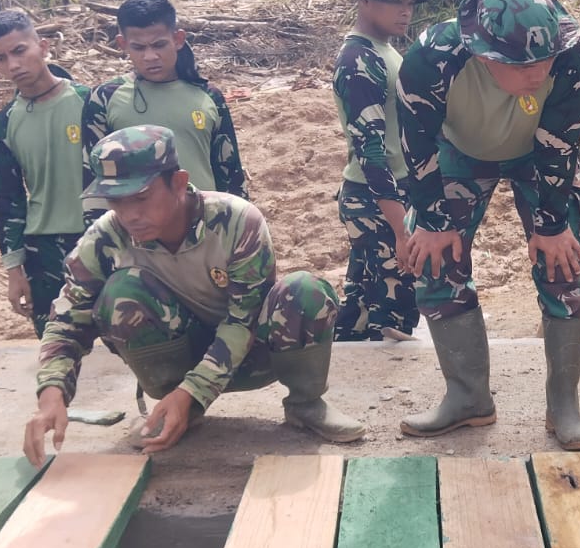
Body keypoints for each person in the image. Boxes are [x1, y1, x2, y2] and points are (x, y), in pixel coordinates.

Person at [22, 126, 363, 464]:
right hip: (177, 358)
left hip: (255, 355)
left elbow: (243, 320)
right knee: (121, 291)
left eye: (141, 198)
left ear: (179, 182)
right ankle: (176, 408)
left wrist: (194, 391)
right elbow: (67, 319)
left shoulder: (236, 221)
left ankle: (305, 404)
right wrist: (52, 392)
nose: (129, 215)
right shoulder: (105, 238)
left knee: (305, 291)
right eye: (115, 201)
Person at [395, 0, 580, 450]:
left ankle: (563, 406)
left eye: (545, 58)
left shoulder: (570, 57)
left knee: (563, 264)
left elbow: (560, 143)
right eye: (523, 63)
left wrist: (552, 224)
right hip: (460, 152)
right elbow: (415, 143)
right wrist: (433, 222)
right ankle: (468, 399)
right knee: (435, 260)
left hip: (540, 156)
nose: (538, 72)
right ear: (483, 54)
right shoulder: (431, 58)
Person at [331, 0, 428, 342]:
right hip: (377, 200)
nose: (404, 11)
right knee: (392, 317)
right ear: (364, 0)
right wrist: (401, 230)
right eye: (393, 1)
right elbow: (370, 151)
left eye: (409, 1)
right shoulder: (359, 60)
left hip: (386, 196)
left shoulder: (383, 51)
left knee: (362, 307)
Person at [0, 9, 93, 337]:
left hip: (102, 237)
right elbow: (7, 200)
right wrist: (14, 270)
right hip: (42, 252)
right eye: (0, 58)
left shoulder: (92, 103)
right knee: (57, 343)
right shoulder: (2, 125)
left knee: (123, 344)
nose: (13, 65)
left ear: (43, 47)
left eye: (19, 51)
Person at [83, 0, 247, 200]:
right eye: (138, 47)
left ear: (178, 39)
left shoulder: (208, 96)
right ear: (122, 44)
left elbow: (231, 176)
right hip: (136, 220)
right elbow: (94, 178)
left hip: (203, 218)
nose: (150, 56)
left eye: (159, 45)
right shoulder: (103, 99)